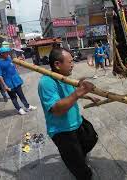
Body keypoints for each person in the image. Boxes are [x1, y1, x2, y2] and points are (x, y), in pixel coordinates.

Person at [38, 47, 98, 180]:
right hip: (63, 131)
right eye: (69, 62)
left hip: (77, 122)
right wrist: (78, 93)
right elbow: (57, 110)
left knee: (91, 137)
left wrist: (88, 96)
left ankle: (79, 157)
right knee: (82, 172)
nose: (73, 65)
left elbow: (70, 94)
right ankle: (81, 168)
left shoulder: (64, 78)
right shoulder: (46, 82)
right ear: (57, 65)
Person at [0, 47, 37, 115]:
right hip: (9, 83)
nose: (8, 53)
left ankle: (27, 106)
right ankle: (19, 109)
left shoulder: (9, 58)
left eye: (8, 52)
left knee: (21, 95)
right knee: (13, 97)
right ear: (2, 54)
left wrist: (19, 60)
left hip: (16, 80)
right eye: (6, 52)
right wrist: (5, 86)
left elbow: (13, 65)